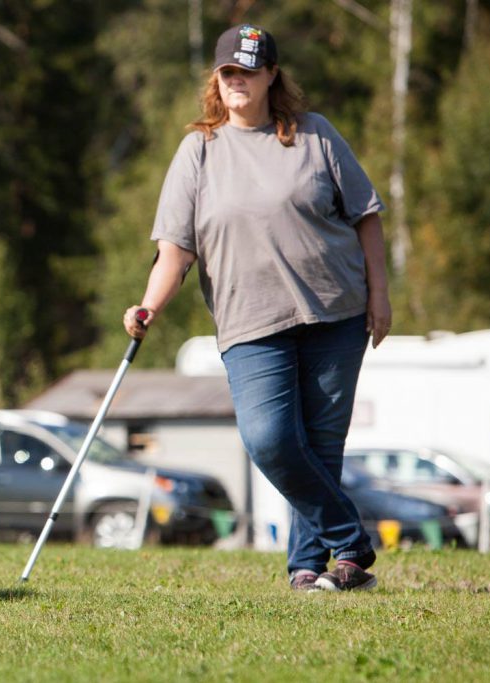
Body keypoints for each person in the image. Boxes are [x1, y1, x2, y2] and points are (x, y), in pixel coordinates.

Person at [123, 24, 391, 592]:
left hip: (335, 312)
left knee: (319, 445)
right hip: (250, 323)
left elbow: (366, 215)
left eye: (248, 71)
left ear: (272, 75)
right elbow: (175, 250)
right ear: (216, 81)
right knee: (269, 439)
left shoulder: (314, 135)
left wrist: (381, 295)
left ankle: (310, 568)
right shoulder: (199, 149)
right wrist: (147, 307)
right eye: (228, 73)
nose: (237, 81)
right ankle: (350, 539)